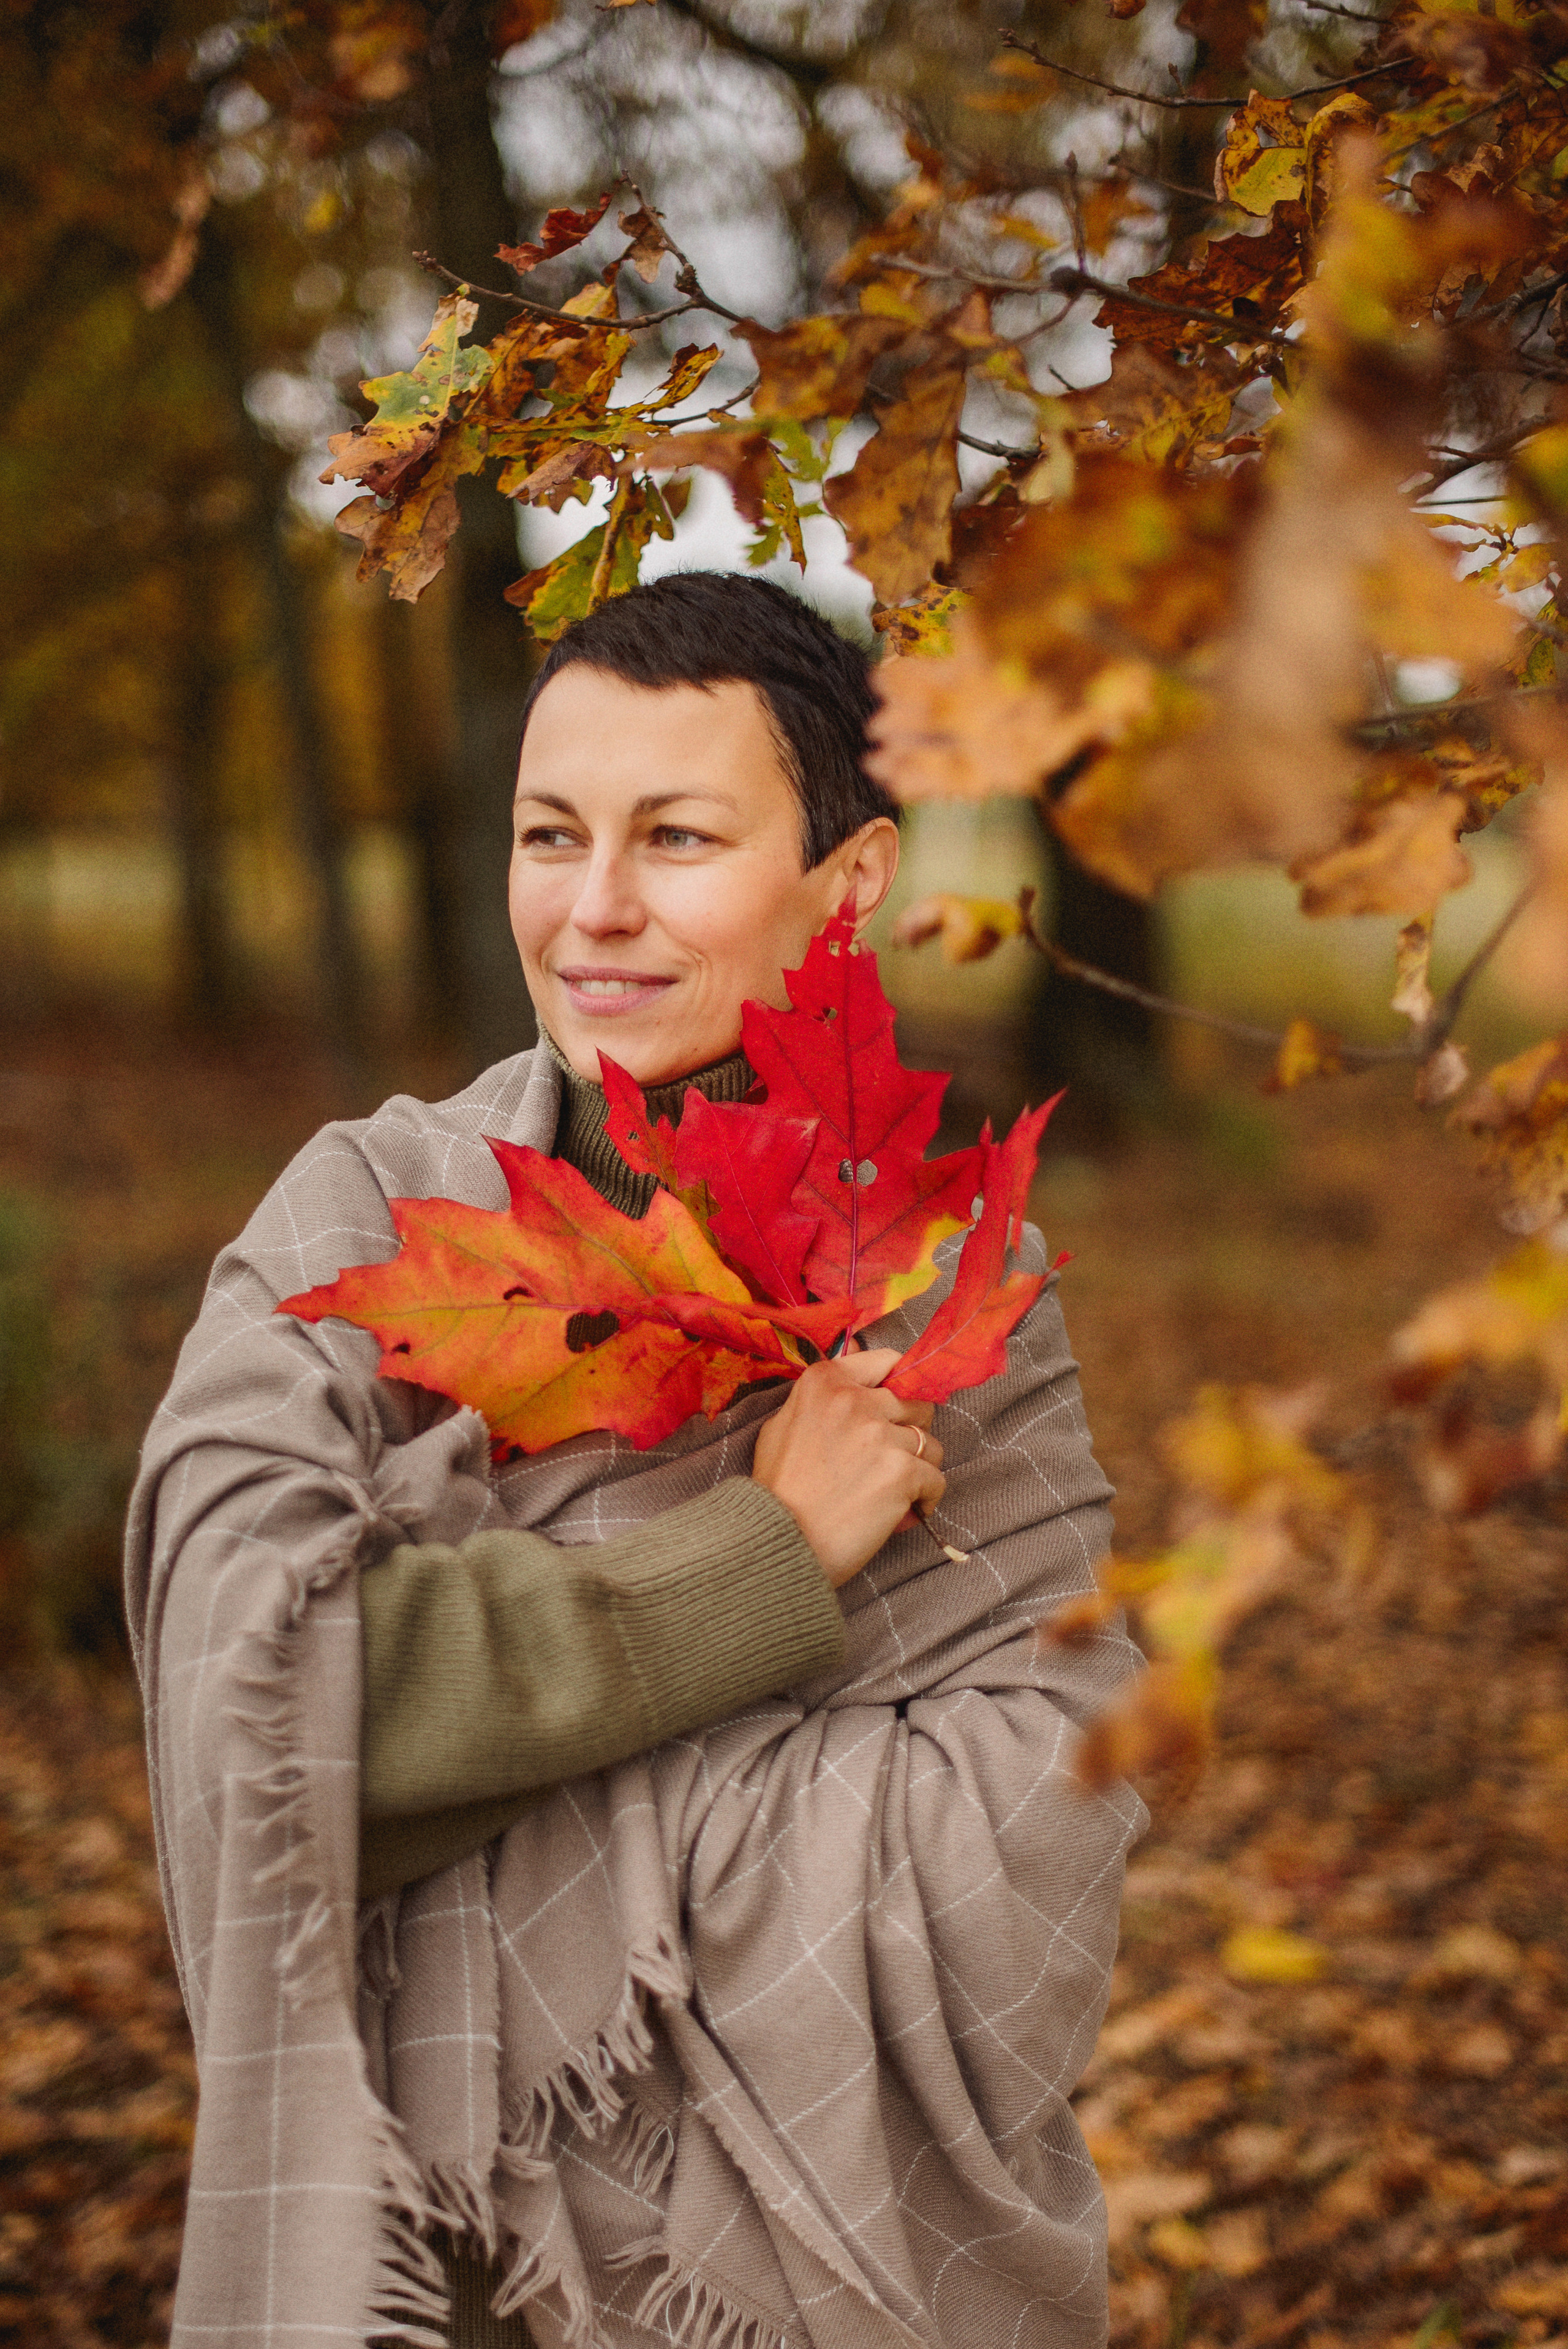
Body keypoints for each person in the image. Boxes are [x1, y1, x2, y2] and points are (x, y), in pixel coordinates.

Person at [126, 572, 1144, 2349]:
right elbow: (255, 1694)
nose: (593, 910)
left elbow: (1044, 1811)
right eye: (549, 834)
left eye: (676, 835)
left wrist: (465, 1747)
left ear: (852, 881)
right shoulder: (366, 1219)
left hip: (805, 2280)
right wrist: (758, 1563)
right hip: (439, 2267)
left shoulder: (954, 1290)